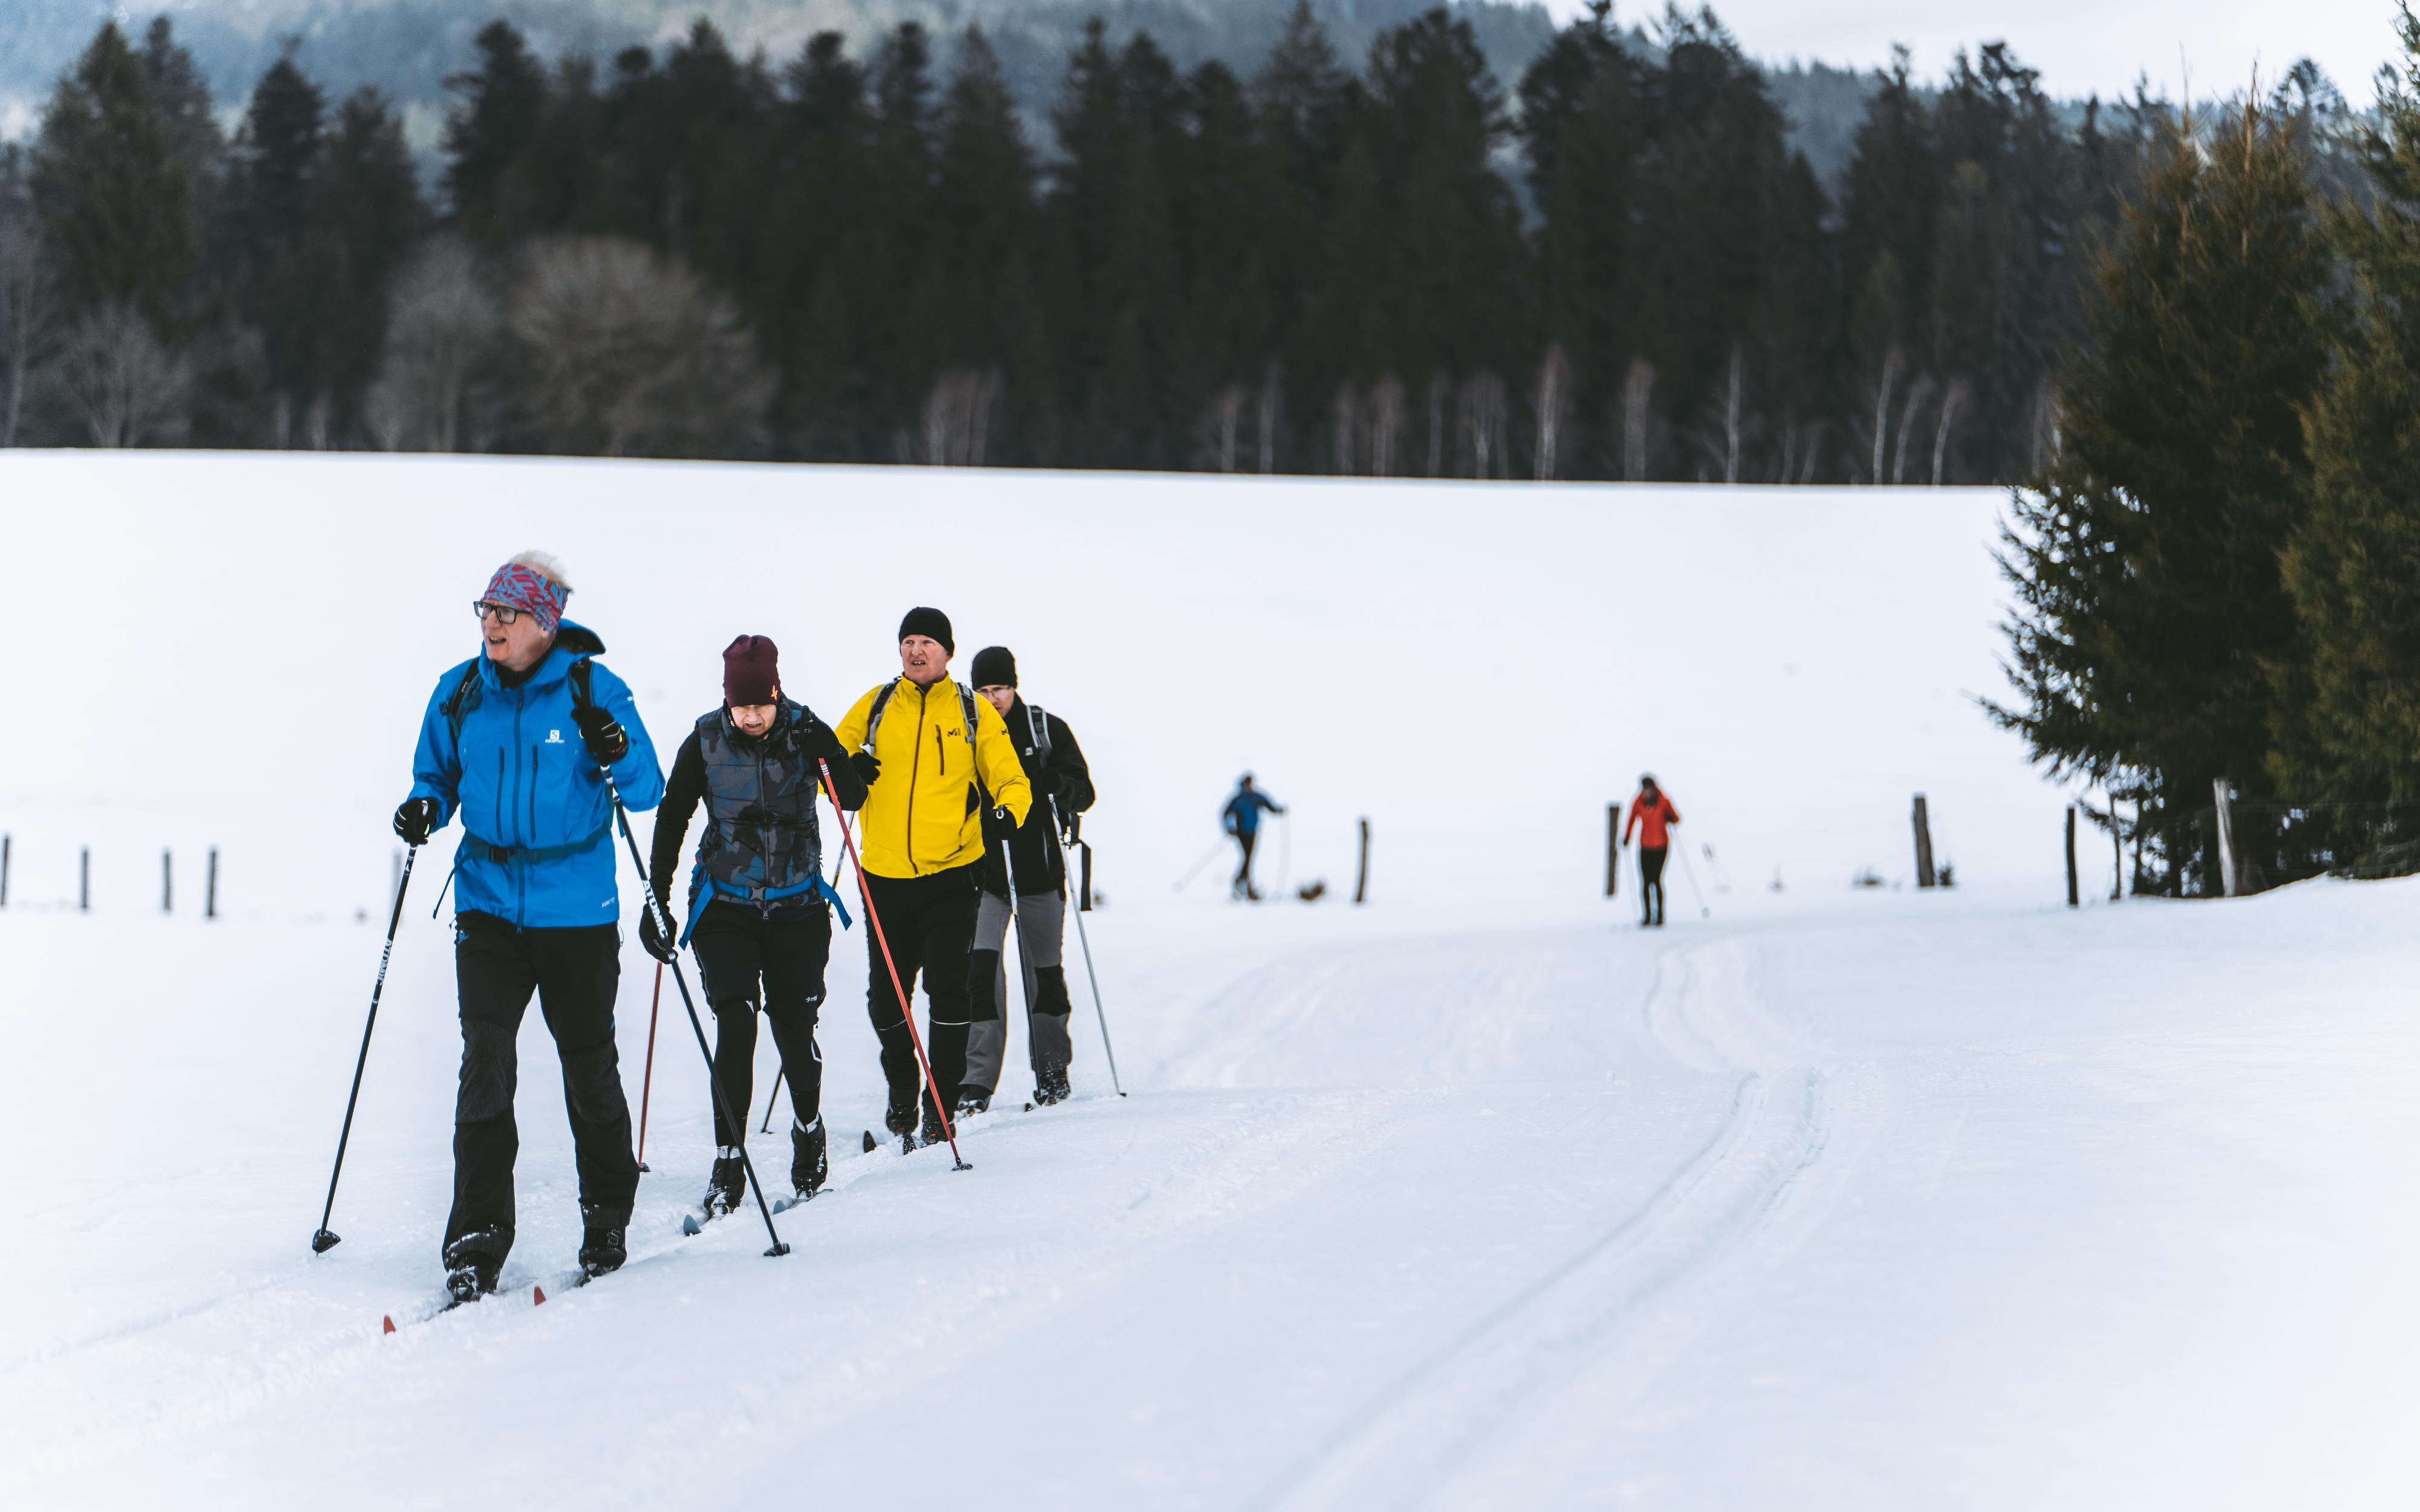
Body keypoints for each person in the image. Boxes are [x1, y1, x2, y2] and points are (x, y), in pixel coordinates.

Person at [393, 552, 663, 1303]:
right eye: (484, 609)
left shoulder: (592, 690)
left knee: (587, 1062)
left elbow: (646, 788)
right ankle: (477, 1235)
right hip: (486, 904)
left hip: (574, 908)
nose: (490, 623)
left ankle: (606, 1214)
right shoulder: (460, 692)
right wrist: (423, 807)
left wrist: (617, 747)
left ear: (544, 622)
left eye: (505, 613)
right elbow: (436, 777)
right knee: (485, 1062)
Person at [642, 634, 866, 1217]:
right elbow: (673, 814)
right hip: (726, 906)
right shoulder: (706, 739)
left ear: (776, 692)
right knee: (736, 1024)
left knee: (794, 1027)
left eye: (760, 705)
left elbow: (853, 797)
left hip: (797, 906)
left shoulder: (804, 730)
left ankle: (808, 1129)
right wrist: (656, 897)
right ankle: (729, 1157)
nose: (750, 716)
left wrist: (833, 755)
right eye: (741, 706)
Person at [833, 608, 1032, 1147]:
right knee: (887, 1000)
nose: (915, 651)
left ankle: (939, 1107)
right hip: (884, 876)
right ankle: (903, 1085)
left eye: (926, 642)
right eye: (907, 642)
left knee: (949, 994)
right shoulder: (876, 706)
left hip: (953, 874)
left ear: (947, 651)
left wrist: (1006, 812)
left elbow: (1011, 778)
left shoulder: (971, 711)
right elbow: (827, 764)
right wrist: (850, 769)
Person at [961, 646, 1096, 1112]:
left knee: (1044, 975)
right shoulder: (965, 730)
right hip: (984, 877)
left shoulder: (1045, 729)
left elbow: (1085, 792)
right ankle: (976, 1082)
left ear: (1014, 686)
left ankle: (1052, 1070)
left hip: (1039, 874)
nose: (992, 698)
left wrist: (1058, 784)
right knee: (979, 975)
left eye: (999, 688)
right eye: (983, 690)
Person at [1623, 774, 1681, 928]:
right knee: (1645, 882)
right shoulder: (1638, 801)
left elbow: (1677, 818)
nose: (1647, 792)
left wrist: (1670, 818)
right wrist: (1627, 837)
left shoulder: (1664, 801)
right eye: (1645, 789)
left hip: (1661, 846)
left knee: (1656, 879)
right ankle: (1647, 916)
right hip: (1645, 846)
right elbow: (1631, 818)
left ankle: (1660, 916)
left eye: (1649, 789)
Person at [1222, 774, 1284, 901]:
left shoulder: (1256, 797)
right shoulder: (1239, 799)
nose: (1250, 786)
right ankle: (1243, 883)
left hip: (1253, 832)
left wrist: (1279, 811)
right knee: (1247, 857)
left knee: (1248, 858)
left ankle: (1243, 882)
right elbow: (1226, 813)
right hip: (1241, 832)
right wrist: (1230, 828)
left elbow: (1269, 806)